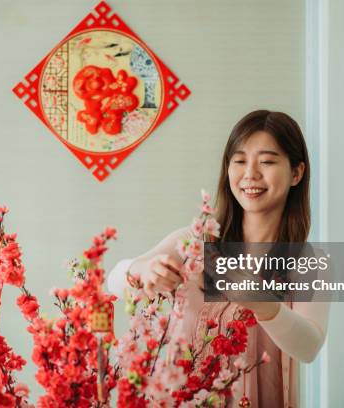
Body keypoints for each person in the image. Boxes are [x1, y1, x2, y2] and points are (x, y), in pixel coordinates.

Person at [107, 110, 330, 408]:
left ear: (296, 173)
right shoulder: (196, 241)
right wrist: (142, 269)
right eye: (239, 161)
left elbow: (309, 347)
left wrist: (266, 306)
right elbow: (113, 280)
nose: (250, 174)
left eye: (266, 161)